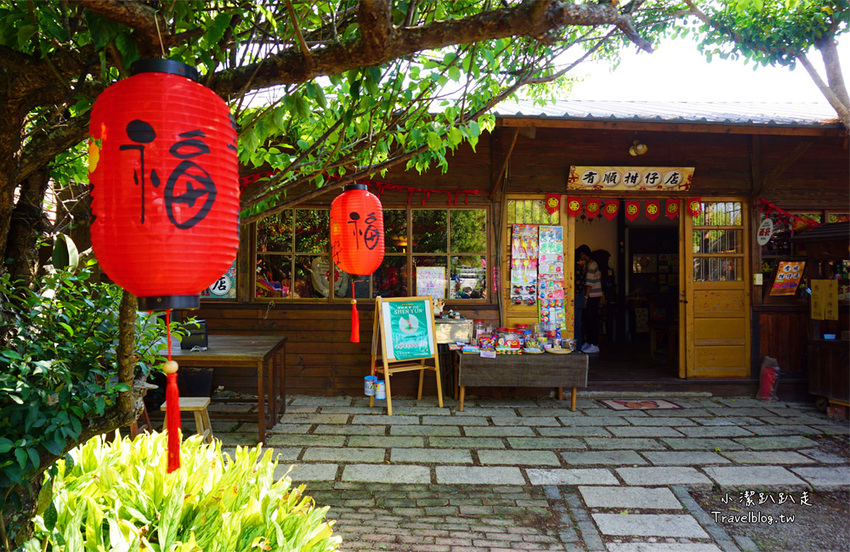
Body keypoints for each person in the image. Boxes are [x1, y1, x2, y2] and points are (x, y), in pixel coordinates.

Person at [577, 244, 602, 354]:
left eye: (581, 253)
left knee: (592, 319)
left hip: (593, 295)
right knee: (588, 318)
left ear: (584, 253)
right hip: (593, 295)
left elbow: (589, 284)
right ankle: (590, 342)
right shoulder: (589, 264)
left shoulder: (591, 264)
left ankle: (594, 344)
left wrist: (586, 297)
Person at [574, 249, 587, 347]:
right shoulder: (580, 267)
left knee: (574, 323)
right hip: (580, 296)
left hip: (574, 296)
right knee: (577, 323)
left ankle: (576, 346)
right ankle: (578, 346)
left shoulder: (572, 268)